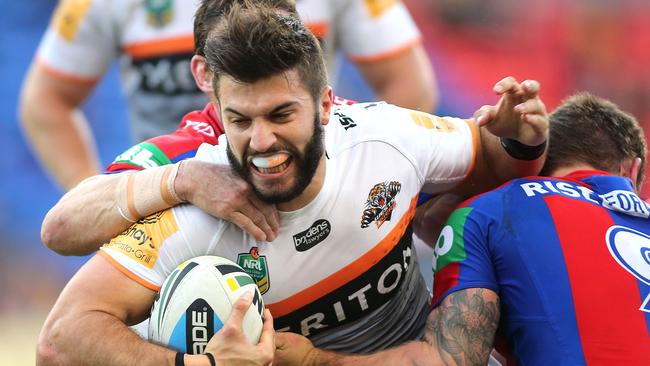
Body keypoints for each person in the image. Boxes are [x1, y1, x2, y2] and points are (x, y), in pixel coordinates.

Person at [36, 2, 549, 365]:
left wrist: (523, 144)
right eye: (241, 119)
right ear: (208, 83)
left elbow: (494, 158)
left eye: (282, 112)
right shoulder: (189, 177)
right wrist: (181, 181)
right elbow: (60, 244)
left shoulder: (380, 135)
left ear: (324, 100)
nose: (262, 140)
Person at [274, 93, 650, 365]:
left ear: (542, 158)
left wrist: (311, 360)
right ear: (633, 174)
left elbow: (448, 361)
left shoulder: (489, 211)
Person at [19, 0, 436, 190]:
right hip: (170, 201)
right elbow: (45, 102)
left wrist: (355, 182)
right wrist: (103, 202)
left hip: (299, 184)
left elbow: (408, 82)